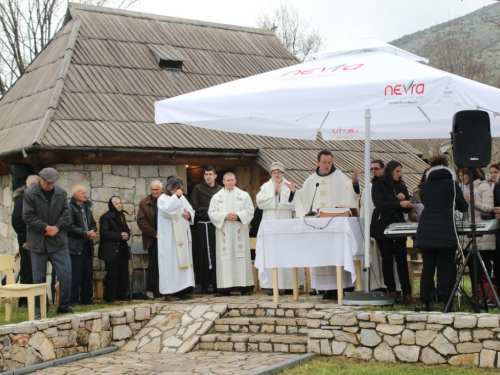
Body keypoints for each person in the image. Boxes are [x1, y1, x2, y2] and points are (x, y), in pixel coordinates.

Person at [294, 149, 359, 300]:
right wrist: (294, 192)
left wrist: (354, 183)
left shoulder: (340, 177)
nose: (327, 165)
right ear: (318, 163)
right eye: (324, 162)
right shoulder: (311, 180)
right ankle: (325, 288)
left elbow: (352, 192)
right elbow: (302, 197)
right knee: (322, 254)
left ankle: (340, 287)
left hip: (335, 225)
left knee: (335, 254)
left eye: (329, 162)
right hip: (319, 227)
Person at [416, 155, 468, 312]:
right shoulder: (451, 184)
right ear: (446, 167)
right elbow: (463, 207)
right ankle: (448, 302)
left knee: (428, 268)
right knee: (446, 268)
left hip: (425, 228)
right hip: (445, 228)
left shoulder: (424, 186)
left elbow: (426, 203)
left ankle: (425, 302)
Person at [22, 167, 73, 315]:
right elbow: (27, 216)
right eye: (46, 183)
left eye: (52, 183)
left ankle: (64, 306)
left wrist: (56, 227)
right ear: (40, 180)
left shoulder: (61, 193)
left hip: (58, 242)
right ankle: (40, 310)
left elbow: (66, 213)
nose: (49, 185)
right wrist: (45, 228)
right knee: (39, 279)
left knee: (66, 275)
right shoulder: (30, 193)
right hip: (38, 243)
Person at [370, 160, 415, 305]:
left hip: (398, 227)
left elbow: (405, 207)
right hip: (383, 226)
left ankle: (407, 292)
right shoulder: (378, 184)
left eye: (400, 171)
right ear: (390, 171)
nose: (399, 174)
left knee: (402, 259)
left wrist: (407, 204)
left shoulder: (401, 185)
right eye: (397, 171)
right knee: (388, 259)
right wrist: (397, 202)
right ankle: (392, 291)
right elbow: (379, 204)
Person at [256, 161, 304, 294]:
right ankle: (272, 285)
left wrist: (287, 193)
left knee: (287, 252)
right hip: (270, 226)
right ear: (271, 173)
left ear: (283, 173)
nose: (276, 175)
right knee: (272, 253)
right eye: (274, 172)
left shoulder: (289, 186)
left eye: (279, 172)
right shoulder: (265, 187)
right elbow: (259, 203)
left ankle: (290, 284)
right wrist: (273, 193)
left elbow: (294, 203)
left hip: (286, 226)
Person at [208, 172, 254, 296]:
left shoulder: (244, 195)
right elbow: (211, 213)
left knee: (241, 257)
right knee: (225, 258)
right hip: (224, 232)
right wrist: (224, 216)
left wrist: (238, 216)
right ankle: (224, 288)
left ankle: (244, 287)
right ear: (223, 181)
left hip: (239, 230)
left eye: (232, 180)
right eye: (227, 180)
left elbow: (250, 210)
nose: (230, 182)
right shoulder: (216, 197)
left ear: (235, 180)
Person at [157, 176, 195, 301]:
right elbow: (167, 210)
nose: (182, 191)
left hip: (182, 239)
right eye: (180, 189)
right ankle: (169, 292)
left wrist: (189, 215)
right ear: (173, 189)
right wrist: (176, 197)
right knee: (170, 264)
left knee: (182, 265)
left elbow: (191, 211)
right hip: (170, 239)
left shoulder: (182, 197)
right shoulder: (162, 199)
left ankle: (181, 290)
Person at [359, 160, 392, 292]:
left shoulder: (389, 185)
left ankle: (389, 285)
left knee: (388, 258)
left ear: (383, 169)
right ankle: (375, 285)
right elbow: (363, 207)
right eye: (371, 169)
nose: (373, 171)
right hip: (373, 227)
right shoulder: (368, 188)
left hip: (386, 225)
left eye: (376, 168)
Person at [459, 167, 496, 283]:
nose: (461, 178)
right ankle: (476, 294)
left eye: (462, 175)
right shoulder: (462, 188)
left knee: (483, 265)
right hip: (467, 232)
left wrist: (475, 203)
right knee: (472, 266)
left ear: (470, 174)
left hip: (482, 233)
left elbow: (489, 208)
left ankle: (486, 294)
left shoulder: (483, 186)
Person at [190, 166, 223, 294]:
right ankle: (203, 285)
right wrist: (211, 212)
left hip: (215, 226)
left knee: (216, 254)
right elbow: (194, 207)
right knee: (202, 255)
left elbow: (222, 207)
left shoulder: (221, 190)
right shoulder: (198, 189)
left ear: (215, 176)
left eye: (210, 174)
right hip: (202, 227)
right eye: (206, 174)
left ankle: (216, 283)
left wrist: (216, 214)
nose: (208, 176)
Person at [11, 175, 39, 308]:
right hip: (26, 242)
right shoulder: (22, 199)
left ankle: (36, 299)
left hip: (38, 242)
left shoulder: (36, 200)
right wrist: (26, 239)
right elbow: (16, 222)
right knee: (27, 270)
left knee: (37, 271)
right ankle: (24, 301)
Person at [67, 185, 97, 306]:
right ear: (75, 195)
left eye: (86, 192)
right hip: (75, 246)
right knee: (76, 273)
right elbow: (69, 226)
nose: (85, 195)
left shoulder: (87, 208)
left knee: (87, 272)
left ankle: (87, 298)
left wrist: (92, 231)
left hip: (87, 245)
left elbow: (93, 223)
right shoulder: (70, 208)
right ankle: (73, 300)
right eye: (82, 193)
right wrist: (85, 233)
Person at [98, 196, 131, 303]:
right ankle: (110, 296)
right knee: (112, 274)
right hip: (111, 251)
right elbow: (105, 233)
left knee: (123, 273)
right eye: (117, 204)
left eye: (120, 203)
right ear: (112, 205)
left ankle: (121, 295)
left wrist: (127, 235)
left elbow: (126, 229)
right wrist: (119, 235)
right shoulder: (105, 217)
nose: (119, 205)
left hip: (122, 249)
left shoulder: (122, 216)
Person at [137, 180, 163, 299]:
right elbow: (141, 221)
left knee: (166, 265)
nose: (154, 192)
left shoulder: (167, 201)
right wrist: (154, 233)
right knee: (153, 264)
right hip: (153, 238)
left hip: (166, 238)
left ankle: (164, 289)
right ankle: (151, 289)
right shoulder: (144, 202)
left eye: (156, 189)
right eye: (152, 189)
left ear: (161, 190)